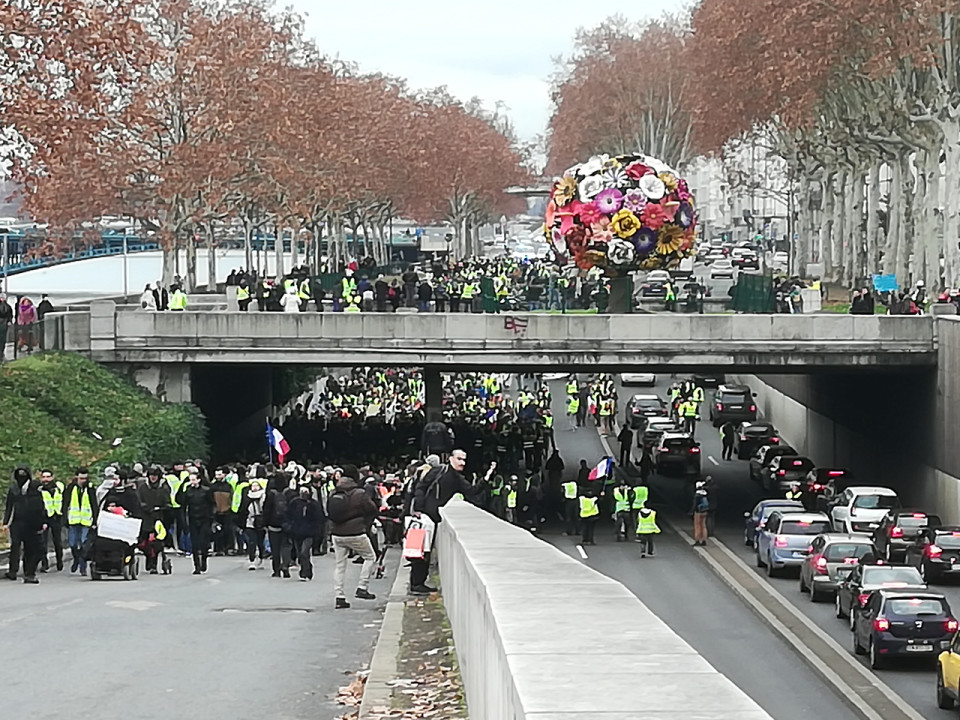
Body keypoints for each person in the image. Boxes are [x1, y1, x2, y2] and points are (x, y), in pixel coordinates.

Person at [410, 448, 474, 594]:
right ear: (451, 458)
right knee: (422, 549)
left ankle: (418, 582)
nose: (462, 463)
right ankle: (417, 583)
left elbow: (471, 491)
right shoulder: (439, 471)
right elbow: (420, 487)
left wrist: (487, 478)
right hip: (425, 516)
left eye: (464, 459)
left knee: (425, 549)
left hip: (432, 517)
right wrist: (419, 509)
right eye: (459, 459)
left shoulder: (456, 478)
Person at [327, 466, 379, 608]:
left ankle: (339, 596)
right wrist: (366, 523)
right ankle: (362, 587)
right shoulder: (360, 493)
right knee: (370, 557)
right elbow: (372, 509)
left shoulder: (333, 493)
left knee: (340, 565)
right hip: (356, 532)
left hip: (337, 534)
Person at [175, 470, 214, 574]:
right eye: (190, 480)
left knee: (203, 542)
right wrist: (183, 487)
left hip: (204, 519)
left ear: (199, 480)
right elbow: (180, 502)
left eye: (193, 479)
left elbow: (212, 504)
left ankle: (204, 560)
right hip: (193, 519)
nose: (192, 482)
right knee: (195, 544)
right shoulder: (188, 491)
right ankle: (196, 566)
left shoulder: (206, 491)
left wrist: (211, 518)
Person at [63, 467, 98, 575]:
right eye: (81, 478)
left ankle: (83, 566)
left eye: (85, 478)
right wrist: (64, 518)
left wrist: (95, 521)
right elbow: (65, 503)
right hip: (73, 520)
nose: (83, 480)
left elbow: (94, 505)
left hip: (86, 520)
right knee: (72, 543)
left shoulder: (90, 488)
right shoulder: (70, 488)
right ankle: (76, 559)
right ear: (77, 477)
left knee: (84, 544)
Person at [286, 482, 322, 581]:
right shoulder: (294, 502)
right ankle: (306, 568)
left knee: (304, 552)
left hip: (309, 533)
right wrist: (289, 527)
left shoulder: (314, 504)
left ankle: (305, 573)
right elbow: (288, 515)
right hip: (296, 532)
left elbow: (319, 519)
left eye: (306, 491)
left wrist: (318, 533)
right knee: (299, 554)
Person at [264, 474, 292, 578]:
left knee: (275, 548)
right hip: (286, 524)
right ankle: (286, 565)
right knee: (286, 546)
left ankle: (276, 569)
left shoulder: (271, 494)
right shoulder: (289, 493)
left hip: (273, 524)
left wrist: (265, 523)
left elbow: (266, 509)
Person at [38, 469, 65, 572]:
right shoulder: (39, 489)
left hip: (56, 517)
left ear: (52, 477)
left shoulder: (60, 487)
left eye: (48, 477)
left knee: (57, 541)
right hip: (44, 518)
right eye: (44, 477)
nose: (46, 479)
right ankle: (45, 564)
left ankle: (59, 561)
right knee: (43, 542)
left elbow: (65, 500)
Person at [240, 481, 267, 569]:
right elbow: (243, 508)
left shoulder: (264, 496)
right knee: (252, 541)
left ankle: (261, 557)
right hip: (250, 522)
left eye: (256, 486)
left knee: (260, 542)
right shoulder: (247, 496)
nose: (254, 487)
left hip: (261, 521)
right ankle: (252, 560)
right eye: (253, 486)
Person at [691, 481, 709, 546]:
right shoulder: (705, 493)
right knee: (703, 525)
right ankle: (704, 540)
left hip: (698, 512)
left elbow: (695, 505)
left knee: (697, 526)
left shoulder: (697, 495)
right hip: (705, 511)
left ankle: (697, 540)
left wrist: (692, 511)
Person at [0, 293, 12, 360]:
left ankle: (2, 351)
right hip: (2, 322)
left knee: (3, 338)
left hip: (4, 323)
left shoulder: (7, 306)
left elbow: (9, 314)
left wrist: (9, 321)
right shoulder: (7, 306)